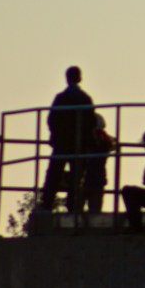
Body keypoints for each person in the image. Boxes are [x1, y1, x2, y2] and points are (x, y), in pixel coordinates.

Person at [40, 66, 96, 211]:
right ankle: (72, 207)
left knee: (53, 175)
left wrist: (56, 135)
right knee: (75, 177)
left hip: (61, 144)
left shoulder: (60, 98)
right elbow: (91, 122)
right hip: (78, 145)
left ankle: (46, 204)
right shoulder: (84, 98)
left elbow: (51, 119)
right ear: (79, 78)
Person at [82, 113, 116, 213]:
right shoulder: (104, 139)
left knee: (76, 209)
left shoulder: (82, 138)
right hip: (98, 178)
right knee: (95, 209)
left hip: (83, 177)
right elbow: (113, 145)